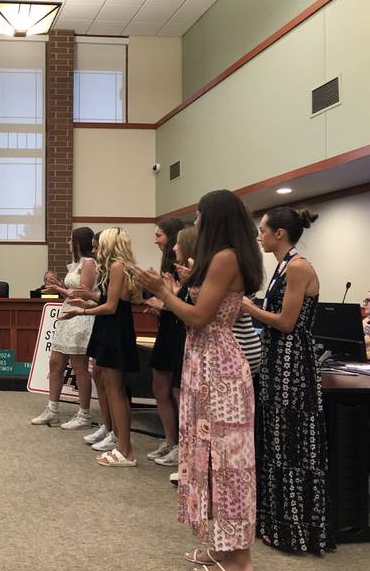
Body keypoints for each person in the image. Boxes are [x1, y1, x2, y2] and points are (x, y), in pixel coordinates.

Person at [134, 189, 263, 571]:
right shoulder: (224, 258)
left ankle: (239, 557)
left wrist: (162, 291)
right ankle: (222, 546)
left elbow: (198, 317)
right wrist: (183, 286)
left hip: (219, 368)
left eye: (200, 214)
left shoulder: (225, 257)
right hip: (206, 364)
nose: (196, 221)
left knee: (228, 462)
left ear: (215, 217)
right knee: (209, 458)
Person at [241, 207, 335, 554]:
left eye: (263, 230)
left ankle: (296, 530)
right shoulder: (281, 267)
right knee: (275, 441)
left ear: (279, 233)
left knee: (293, 444)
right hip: (276, 361)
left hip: (293, 366)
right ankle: (273, 522)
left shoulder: (298, 267)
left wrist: (249, 308)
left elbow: (286, 322)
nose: (259, 235)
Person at [62, 227, 141, 467]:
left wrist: (81, 310)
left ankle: (125, 451)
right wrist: (89, 296)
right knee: (110, 386)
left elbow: (111, 307)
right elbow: (107, 300)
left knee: (116, 391)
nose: (94, 249)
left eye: (99, 245)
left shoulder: (117, 267)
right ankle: (119, 443)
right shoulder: (117, 267)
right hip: (110, 327)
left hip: (114, 329)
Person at [30, 227, 97, 429]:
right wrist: (59, 285)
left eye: (71, 239)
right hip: (66, 316)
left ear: (79, 242)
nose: (68, 242)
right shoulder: (75, 264)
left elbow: (81, 294)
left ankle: (84, 414)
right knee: (55, 364)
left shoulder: (89, 263)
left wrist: (60, 288)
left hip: (80, 318)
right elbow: (68, 294)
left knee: (79, 368)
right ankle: (53, 410)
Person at [143, 217, 185, 467]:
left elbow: (187, 302)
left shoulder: (185, 263)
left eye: (159, 235)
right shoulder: (167, 262)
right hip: (167, 328)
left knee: (176, 389)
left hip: (180, 331)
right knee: (160, 385)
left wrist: (165, 303)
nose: (156, 240)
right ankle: (170, 440)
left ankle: (182, 444)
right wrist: (160, 307)